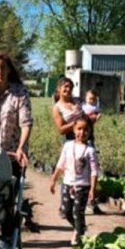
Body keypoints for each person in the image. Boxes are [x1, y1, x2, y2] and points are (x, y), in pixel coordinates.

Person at [48, 117, 98, 246]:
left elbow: (93, 171)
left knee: (78, 211)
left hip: (83, 186)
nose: (82, 132)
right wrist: (53, 180)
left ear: (90, 131)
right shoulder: (68, 146)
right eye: (79, 129)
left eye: (86, 129)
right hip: (67, 184)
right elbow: (61, 164)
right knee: (66, 211)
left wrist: (92, 189)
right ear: (74, 130)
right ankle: (80, 227)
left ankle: (78, 235)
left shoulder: (90, 151)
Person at [51, 77, 83, 218]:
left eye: (69, 86)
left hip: (84, 139)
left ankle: (80, 203)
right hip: (70, 141)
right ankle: (64, 205)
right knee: (69, 173)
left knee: (83, 171)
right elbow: (61, 129)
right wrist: (76, 123)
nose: (67, 89)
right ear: (59, 89)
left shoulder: (77, 102)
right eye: (64, 86)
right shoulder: (57, 108)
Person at [81, 89, 102, 214]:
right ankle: (87, 202)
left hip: (89, 140)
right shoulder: (83, 108)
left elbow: (98, 116)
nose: (91, 100)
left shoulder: (95, 109)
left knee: (91, 171)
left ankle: (91, 201)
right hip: (85, 141)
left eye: (93, 98)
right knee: (87, 171)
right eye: (89, 98)